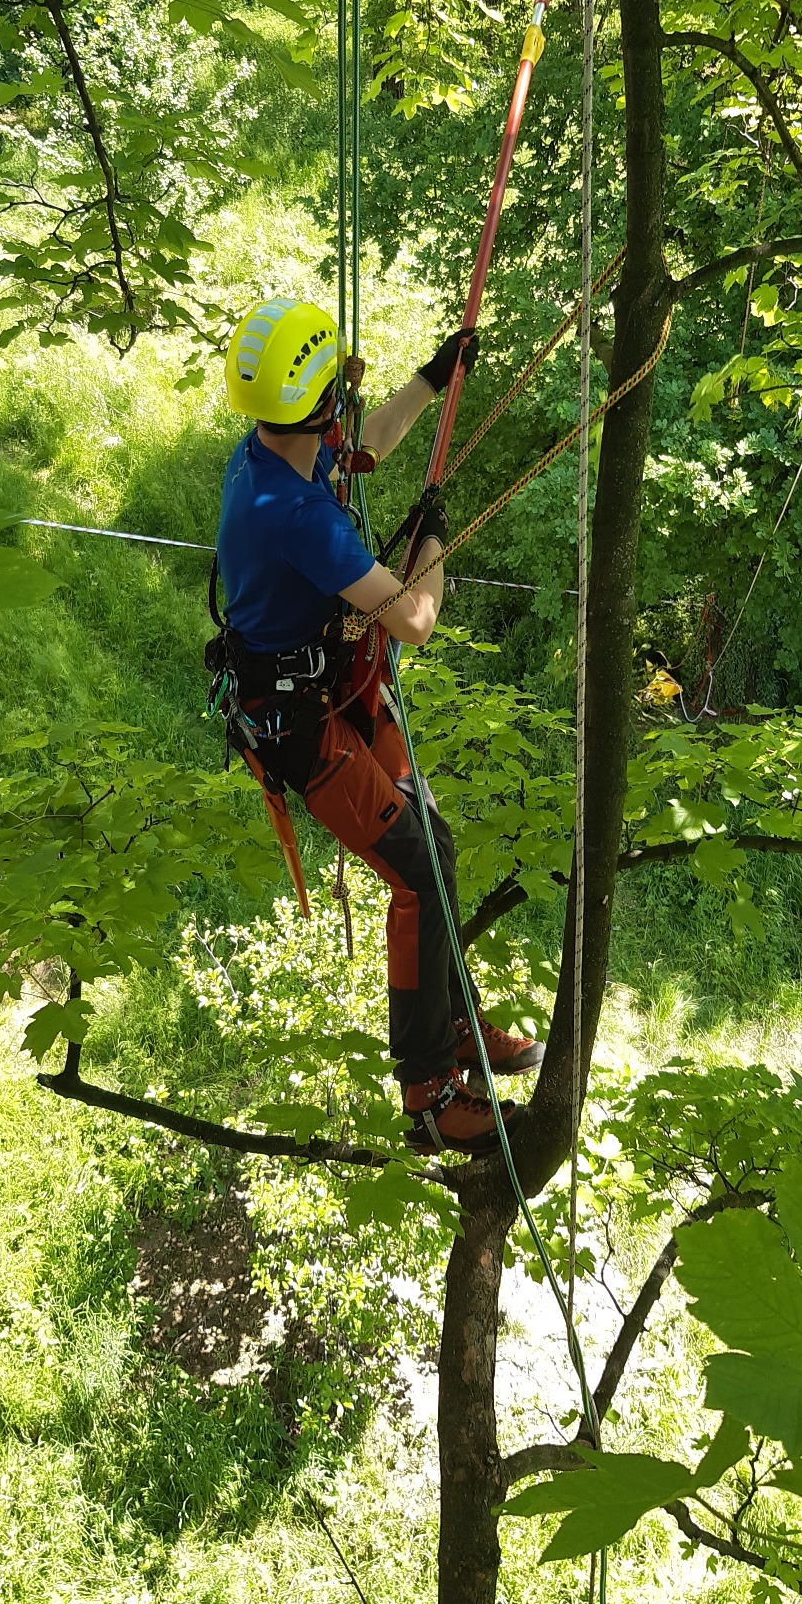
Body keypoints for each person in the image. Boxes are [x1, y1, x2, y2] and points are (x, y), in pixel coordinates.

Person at [214, 294, 543, 1155]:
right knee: (418, 874)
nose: (347, 399)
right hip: (297, 724)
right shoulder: (295, 515)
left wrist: (434, 377)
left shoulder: (270, 451)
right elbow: (415, 620)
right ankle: (428, 1096)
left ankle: (455, 1025)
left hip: (325, 687)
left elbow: (368, 444)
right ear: (321, 398)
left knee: (435, 845)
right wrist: (431, 542)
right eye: (339, 386)